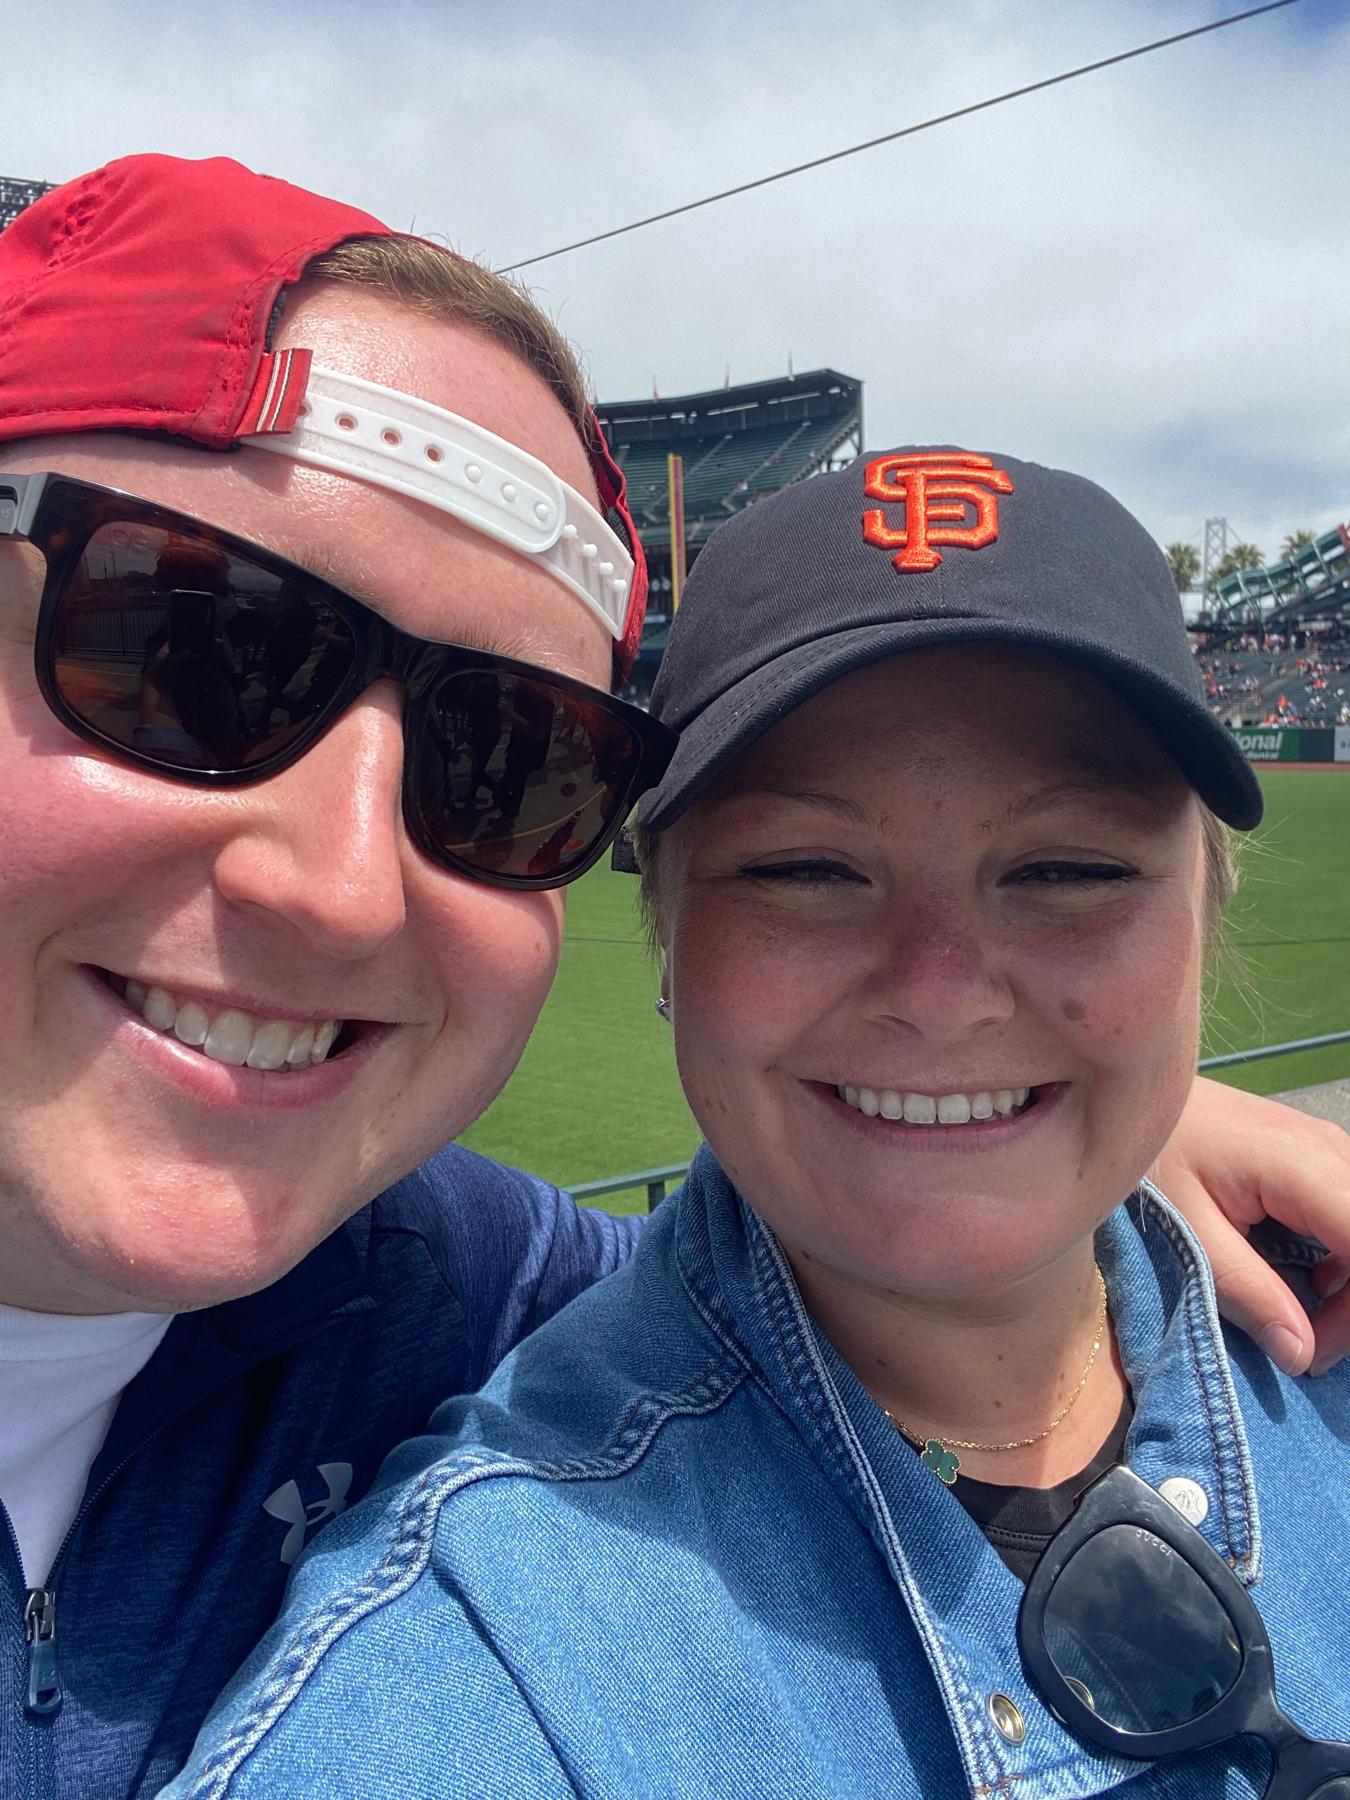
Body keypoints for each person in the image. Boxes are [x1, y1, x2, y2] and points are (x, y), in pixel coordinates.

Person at [0, 156, 1343, 1796]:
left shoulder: (438, 1270)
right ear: (676, 945)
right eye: (183, 658)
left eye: (507, 761)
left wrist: (1101, 1118)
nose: (342, 889)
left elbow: (831, 1256)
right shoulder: (469, 1663)